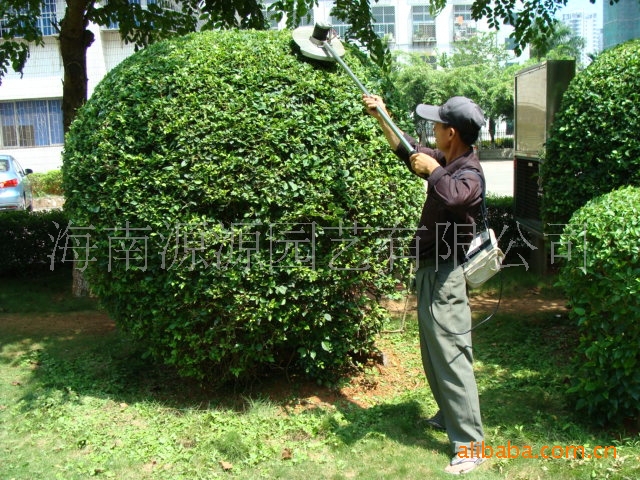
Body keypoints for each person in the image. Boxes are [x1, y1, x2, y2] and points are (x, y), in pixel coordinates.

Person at [362, 94, 487, 475]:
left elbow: (456, 195)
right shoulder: (448, 159)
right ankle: (449, 415)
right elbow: (407, 149)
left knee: (451, 356)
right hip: (430, 270)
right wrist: (381, 114)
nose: (431, 130)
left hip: (448, 276)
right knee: (434, 354)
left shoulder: (468, 171)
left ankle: (471, 446)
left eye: (436, 125)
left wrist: (433, 171)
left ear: (451, 133)